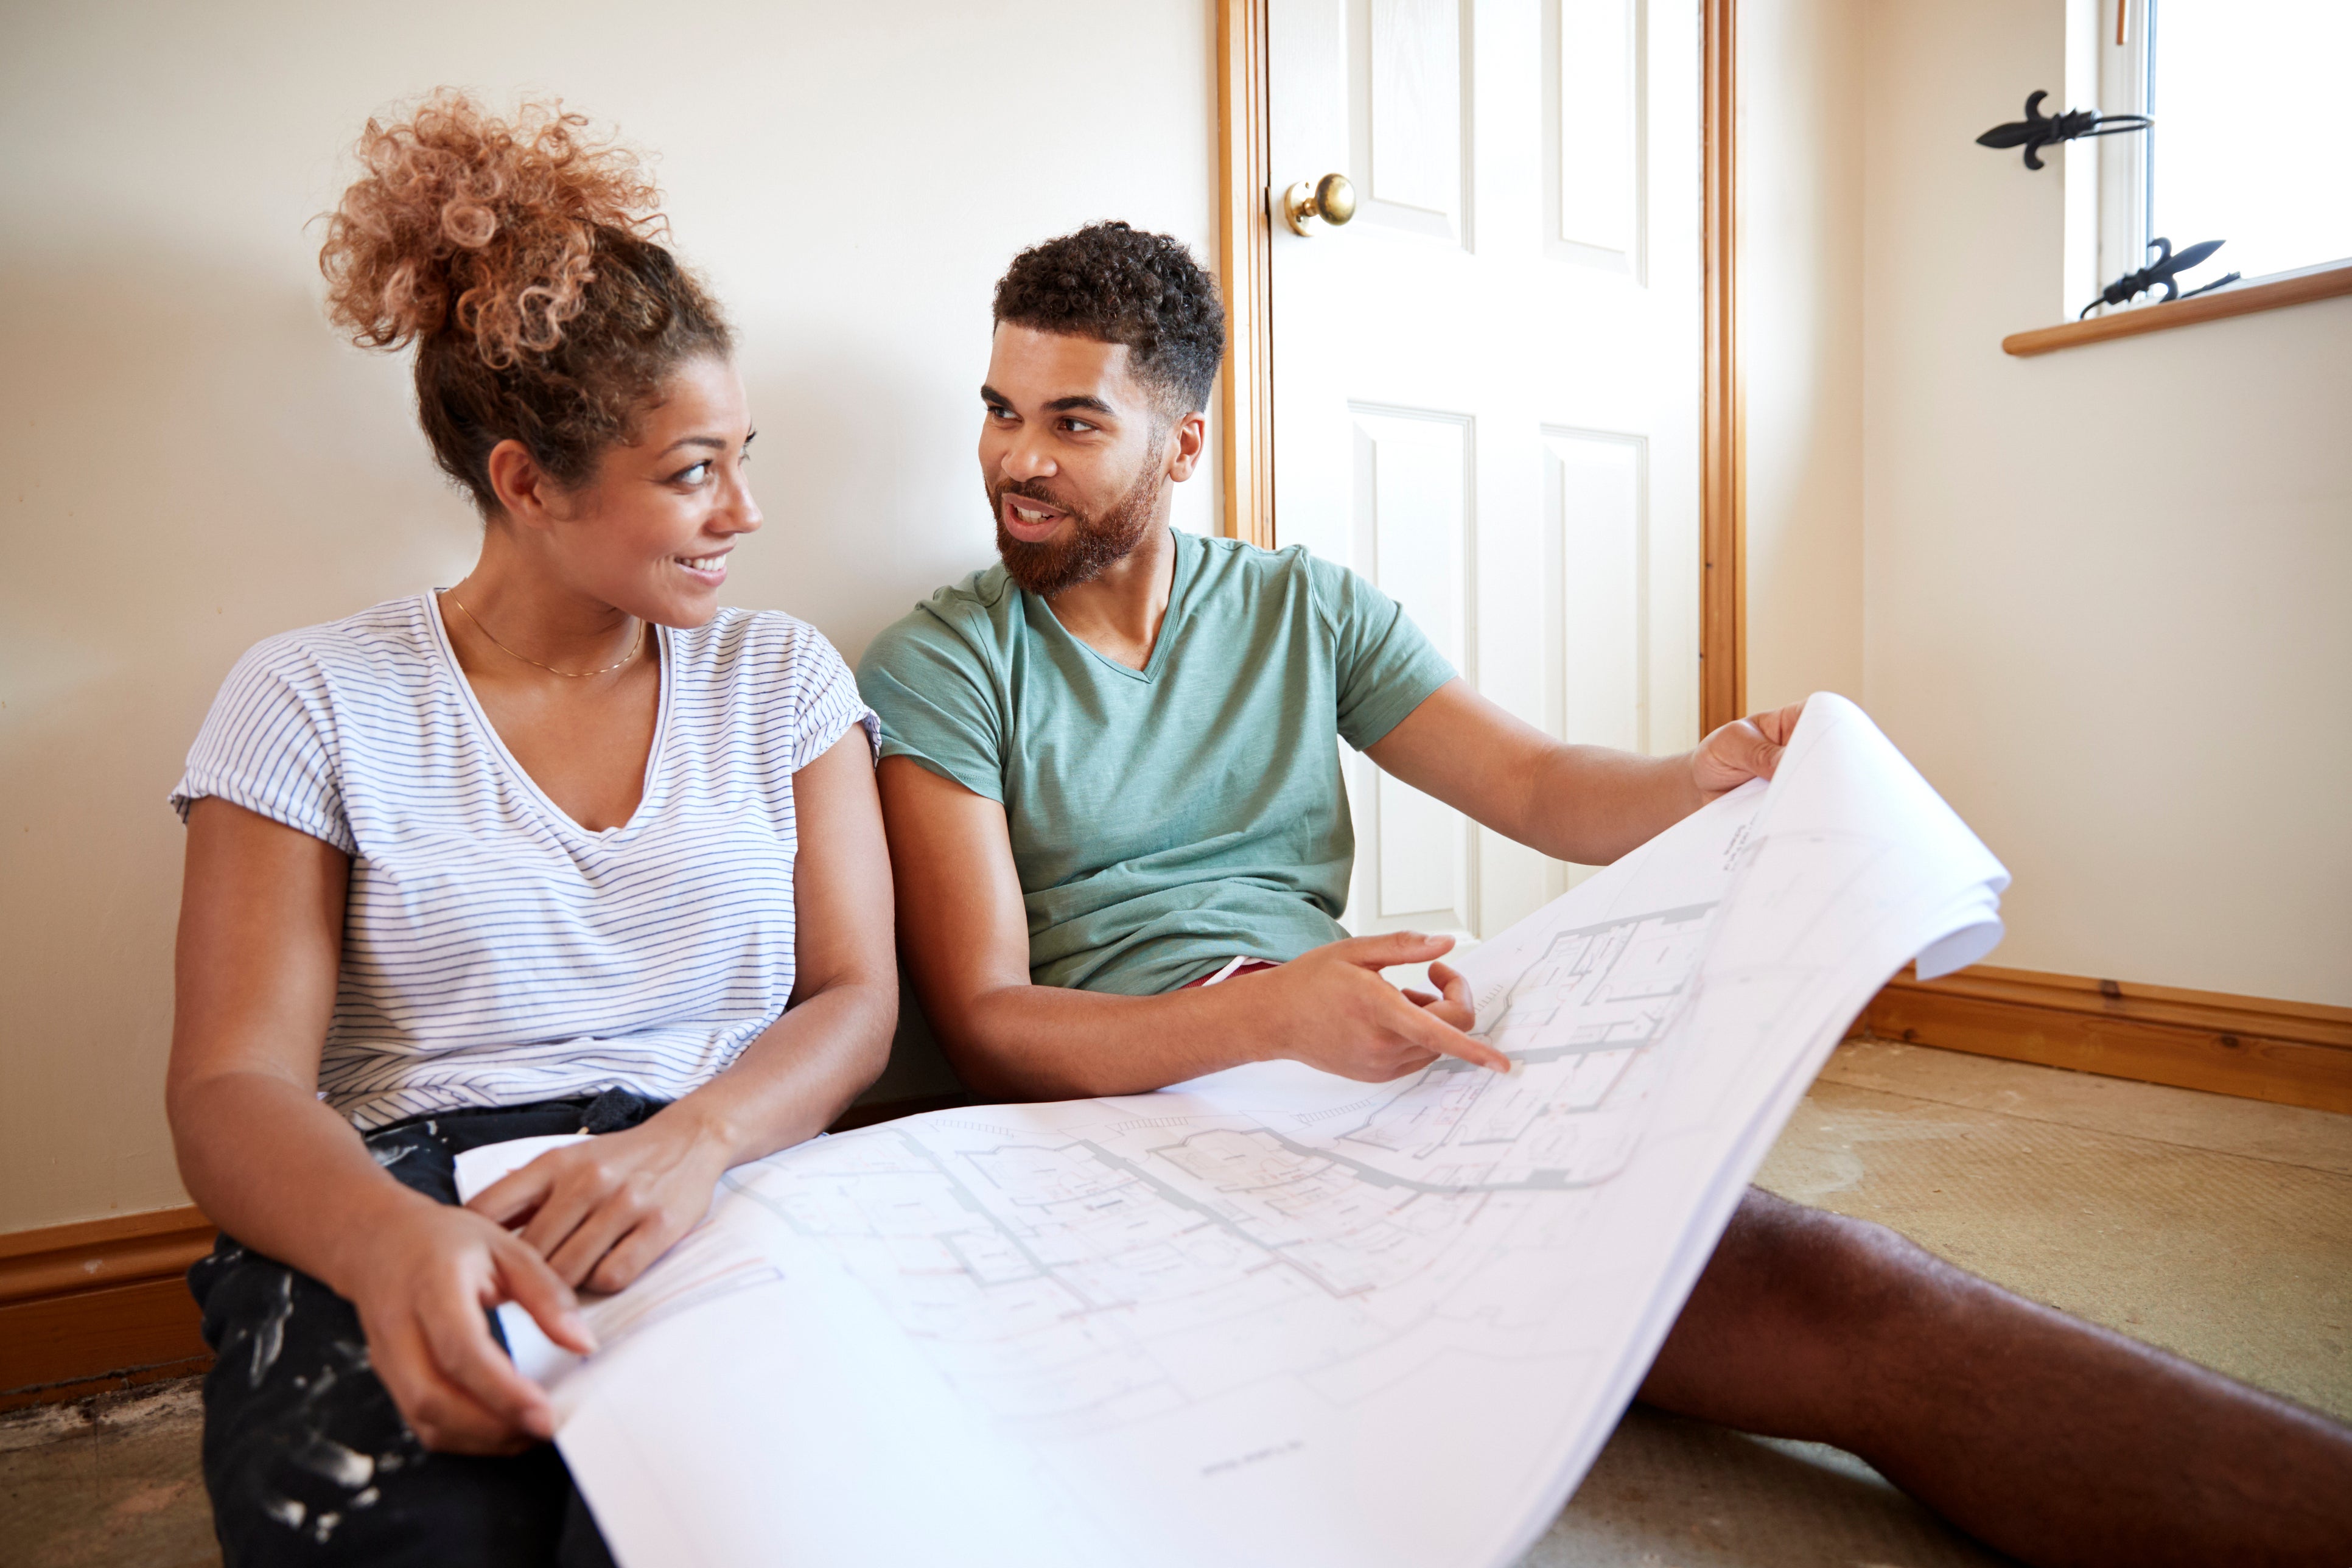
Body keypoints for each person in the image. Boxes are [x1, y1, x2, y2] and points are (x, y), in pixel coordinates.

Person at [857, 221, 2352, 1567]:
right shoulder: (944, 662)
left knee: (1823, 1267)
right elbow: (990, 1028)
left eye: (1071, 421)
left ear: (1182, 444)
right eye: (998, 411)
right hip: (1167, 1107)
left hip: (1359, 1042)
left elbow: (1538, 783)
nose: (1016, 460)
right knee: (1815, 1302)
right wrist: (1268, 1024)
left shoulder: (1305, 606)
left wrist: (1694, 780)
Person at [166, 94, 895, 1566]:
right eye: (694, 470)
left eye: (746, 451)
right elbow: (231, 1084)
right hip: (405, 1194)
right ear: (526, 481)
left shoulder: (782, 678)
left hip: (725, 1176)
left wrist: (696, 1142)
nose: (746, 509)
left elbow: (856, 996)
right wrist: (386, 1243)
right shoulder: (310, 697)